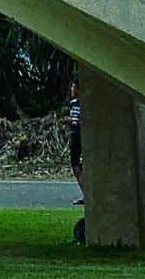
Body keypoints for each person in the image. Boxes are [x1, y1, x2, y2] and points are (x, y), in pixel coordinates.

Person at [68, 78, 84, 206]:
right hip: (74, 135)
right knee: (75, 164)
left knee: (77, 164)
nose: (72, 90)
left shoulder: (82, 104)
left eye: (74, 88)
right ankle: (85, 192)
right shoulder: (73, 103)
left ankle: (87, 193)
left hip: (80, 135)